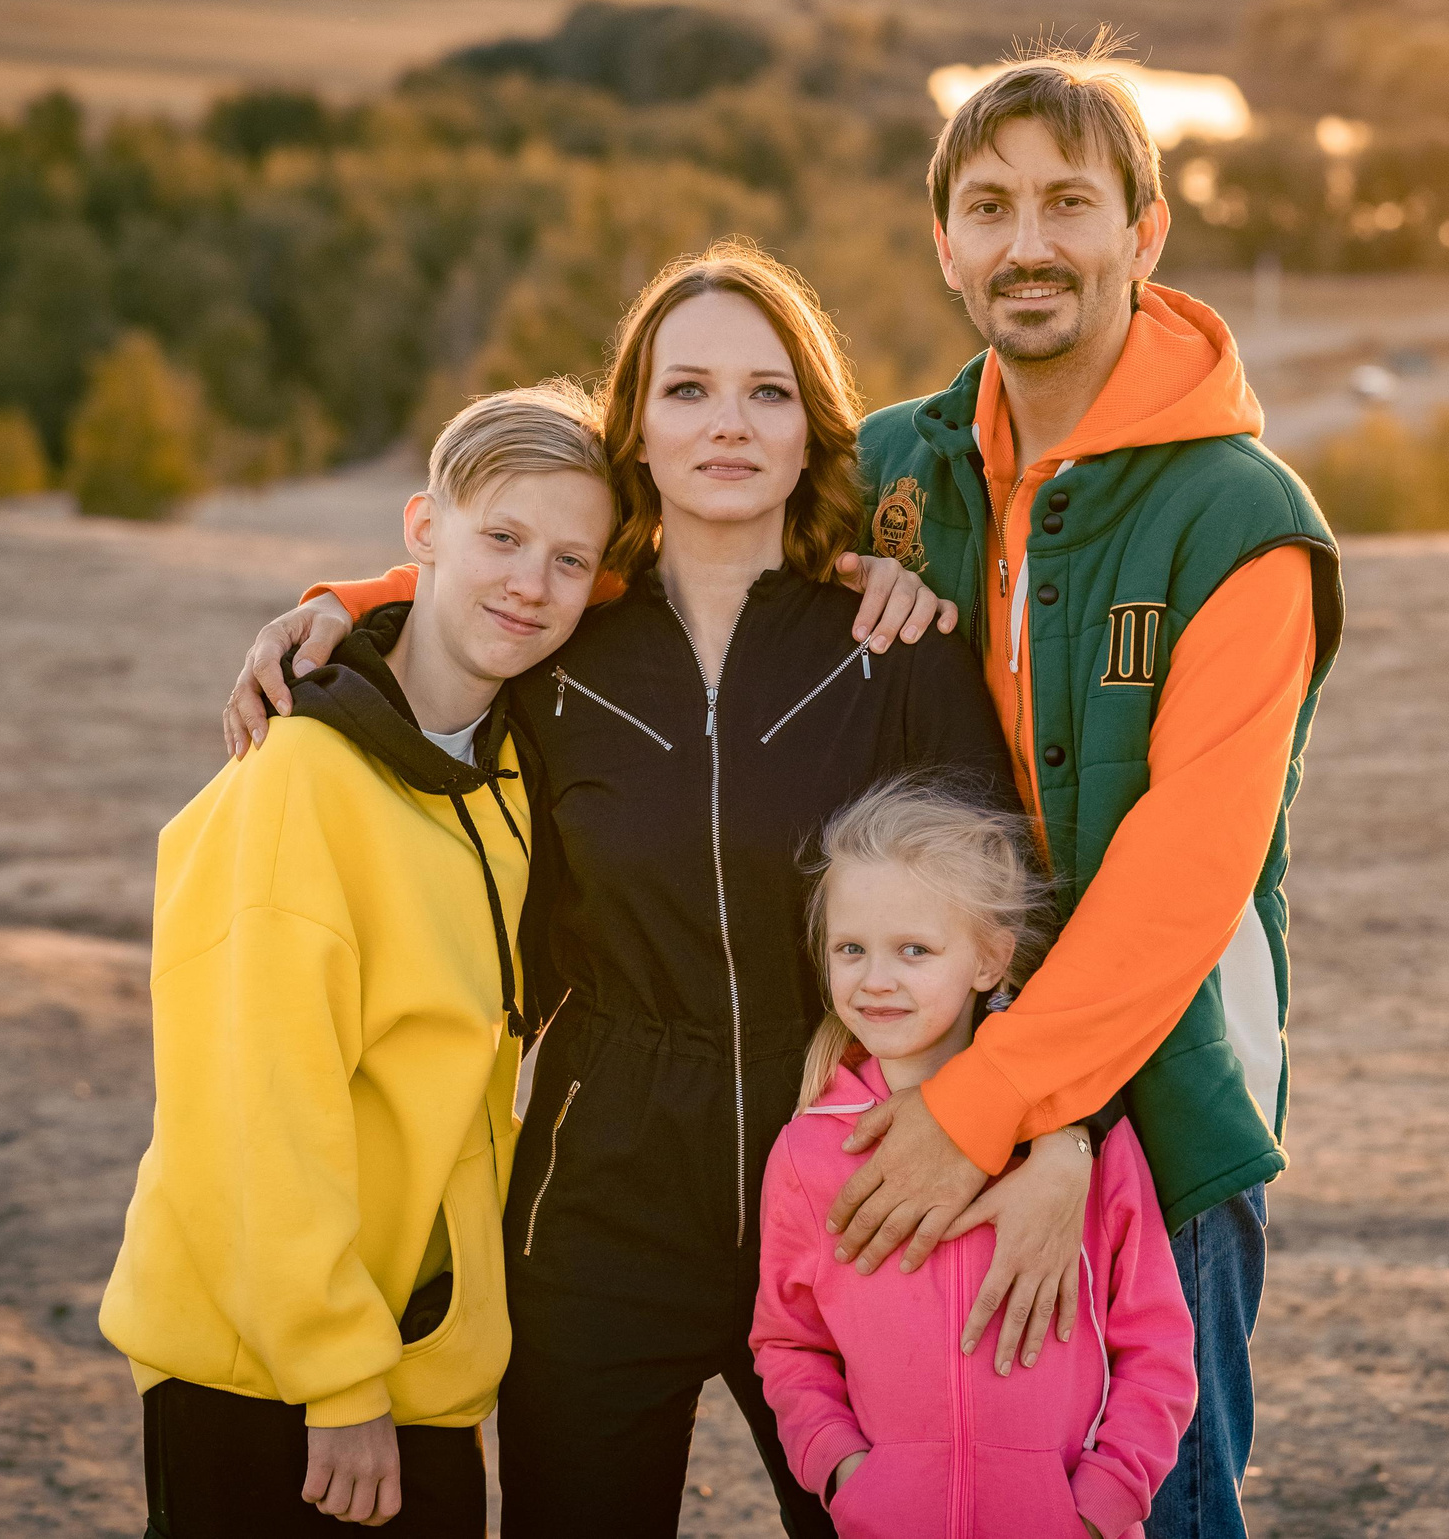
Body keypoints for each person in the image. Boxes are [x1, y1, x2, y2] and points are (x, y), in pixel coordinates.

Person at [228, 241, 1114, 1536]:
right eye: (688, 389)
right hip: (599, 1197)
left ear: (813, 429)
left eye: (767, 392)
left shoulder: (896, 645)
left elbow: (1008, 928)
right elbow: (447, 635)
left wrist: (1058, 1133)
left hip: (855, 1185)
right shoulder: (556, 650)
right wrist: (335, 618)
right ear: (634, 427)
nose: (728, 424)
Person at [827, 42, 1345, 1539]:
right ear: (945, 246)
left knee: (1148, 1504)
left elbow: (1185, 876)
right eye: (989, 208)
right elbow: (648, 545)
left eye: (1069, 202)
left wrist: (990, 1112)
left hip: (1163, 1098)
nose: (1029, 243)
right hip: (926, 1070)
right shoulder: (892, 469)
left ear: (1144, 232)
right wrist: (381, 604)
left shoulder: (1239, 517)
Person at [98, 384, 617, 1535]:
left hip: (416, 1356)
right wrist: (335, 1377)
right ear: (422, 528)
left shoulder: (503, 772)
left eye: (570, 561)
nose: (532, 585)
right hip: (268, 1373)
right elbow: (259, 1106)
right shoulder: (299, 777)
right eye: (501, 538)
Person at [753, 780, 1196, 1539]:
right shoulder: (809, 1150)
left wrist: (1099, 1506)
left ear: (990, 959)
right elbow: (790, 1343)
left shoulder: (1080, 1145)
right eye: (851, 948)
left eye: (914, 950)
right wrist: (847, 1475)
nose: (876, 978)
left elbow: (1156, 1342)